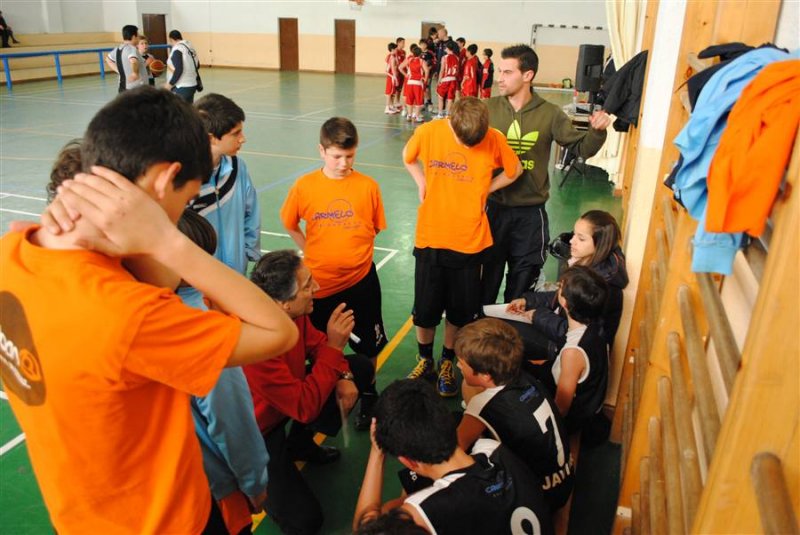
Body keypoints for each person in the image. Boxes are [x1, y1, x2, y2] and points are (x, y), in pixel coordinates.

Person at [0, 86, 298, 534]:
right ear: (164, 179)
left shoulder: (12, 252)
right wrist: (166, 241)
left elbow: (153, 281)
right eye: (186, 199)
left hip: (80, 517)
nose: (182, 213)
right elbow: (279, 330)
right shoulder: (130, 314)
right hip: (164, 521)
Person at [243, 250, 375, 535]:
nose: (316, 287)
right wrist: (336, 348)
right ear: (283, 303)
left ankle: (299, 445)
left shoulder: (294, 314)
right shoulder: (257, 345)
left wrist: (345, 375)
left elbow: (316, 344)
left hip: (288, 401)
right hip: (257, 432)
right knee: (305, 521)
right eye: (307, 286)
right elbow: (304, 407)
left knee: (360, 368)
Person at [402, 96, 522, 397]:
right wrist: (421, 181)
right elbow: (407, 156)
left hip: (469, 243)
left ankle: (447, 361)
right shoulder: (429, 131)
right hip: (431, 237)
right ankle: (425, 360)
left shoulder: (494, 138)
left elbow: (515, 170)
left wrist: (487, 190)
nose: (469, 146)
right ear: (452, 123)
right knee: (425, 310)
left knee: (459, 312)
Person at [482, 44, 611, 305]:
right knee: (485, 281)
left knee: (521, 287)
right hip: (493, 209)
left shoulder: (550, 113)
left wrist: (597, 131)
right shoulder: (487, 109)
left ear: (527, 75)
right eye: (500, 71)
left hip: (530, 215)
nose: (500, 78)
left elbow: (581, 148)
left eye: (507, 72)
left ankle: (512, 328)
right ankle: (479, 327)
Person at [280, 117, 386, 430]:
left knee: (368, 345)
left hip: (361, 281)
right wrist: (311, 249)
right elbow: (289, 222)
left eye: (350, 156)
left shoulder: (368, 186)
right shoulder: (305, 186)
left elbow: (375, 228)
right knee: (319, 346)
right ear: (322, 151)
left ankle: (369, 393)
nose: (343, 163)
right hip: (320, 287)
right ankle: (323, 395)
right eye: (336, 156)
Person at [353, 379, 554, 535]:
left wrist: (377, 453)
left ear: (409, 461)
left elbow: (365, 528)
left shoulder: (425, 510)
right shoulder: (493, 449)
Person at [175, 209, 269, 535]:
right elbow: (230, 419)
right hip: (216, 492)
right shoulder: (204, 325)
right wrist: (255, 482)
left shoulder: (139, 311)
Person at [455, 318, 574, 510]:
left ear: (485, 375)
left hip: (536, 500)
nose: (459, 366)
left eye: (462, 363)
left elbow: (455, 449)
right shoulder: (526, 377)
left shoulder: (483, 404)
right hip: (563, 482)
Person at [506, 210, 628, 359]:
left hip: (568, 346)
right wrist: (528, 300)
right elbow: (564, 294)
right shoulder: (589, 263)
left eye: (581, 239)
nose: (571, 241)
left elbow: (577, 333)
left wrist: (537, 315)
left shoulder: (597, 285)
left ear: (600, 244)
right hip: (560, 326)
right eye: (574, 234)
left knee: (502, 334)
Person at [188, 93, 260, 278]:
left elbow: (250, 212)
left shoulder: (238, 167)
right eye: (236, 133)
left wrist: (247, 253)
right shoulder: (185, 180)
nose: (243, 139)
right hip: (199, 279)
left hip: (236, 272)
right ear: (211, 138)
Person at [537, 266, 609, 434]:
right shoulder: (594, 329)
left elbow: (561, 409)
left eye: (560, 287)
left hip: (572, 420)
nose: (558, 289)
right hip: (588, 405)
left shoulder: (573, 353)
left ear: (565, 302)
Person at [106, 24, 148, 93]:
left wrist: (120, 71)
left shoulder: (117, 49)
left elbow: (108, 60)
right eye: (138, 35)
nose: (138, 37)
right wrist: (135, 73)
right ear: (134, 37)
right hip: (135, 88)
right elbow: (133, 60)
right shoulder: (131, 48)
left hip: (122, 86)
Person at [165, 29, 201, 103]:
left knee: (178, 108)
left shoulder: (177, 49)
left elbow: (179, 70)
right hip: (192, 84)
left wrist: (170, 84)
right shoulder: (189, 47)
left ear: (171, 39)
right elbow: (197, 65)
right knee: (188, 108)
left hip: (182, 86)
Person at [399, 45, 428, 123]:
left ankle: (409, 115)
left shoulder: (409, 59)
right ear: (420, 54)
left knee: (409, 100)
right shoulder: (422, 61)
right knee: (418, 101)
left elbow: (400, 67)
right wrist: (425, 79)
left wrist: (406, 75)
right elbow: (426, 70)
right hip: (418, 83)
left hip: (410, 82)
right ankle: (417, 116)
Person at [435, 41, 459, 119]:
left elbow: (442, 70)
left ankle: (440, 114)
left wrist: (439, 81)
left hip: (445, 79)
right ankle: (448, 114)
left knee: (440, 97)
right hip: (453, 80)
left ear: (447, 48)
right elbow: (457, 70)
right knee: (450, 98)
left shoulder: (444, 57)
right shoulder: (457, 58)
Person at [384, 42, 401, 114]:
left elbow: (387, 66)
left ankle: (391, 106)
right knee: (389, 93)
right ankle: (387, 108)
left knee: (391, 92)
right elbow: (393, 69)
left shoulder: (389, 56)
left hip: (390, 76)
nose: (397, 50)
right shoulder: (392, 58)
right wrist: (395, 78)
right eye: (396, 49)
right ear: (393, 49)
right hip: (392, 76)